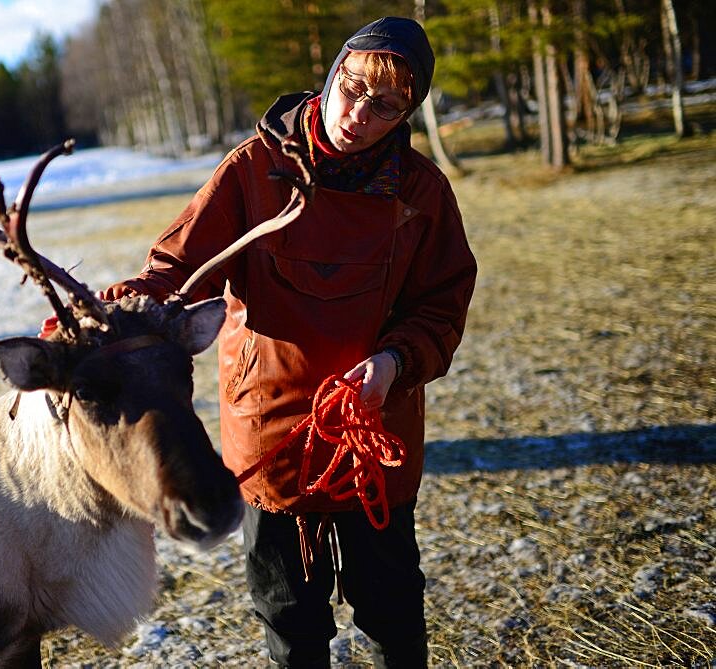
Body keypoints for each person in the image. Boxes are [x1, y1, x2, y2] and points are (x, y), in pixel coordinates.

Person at [48, 17, 476, 668]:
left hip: (372, 441)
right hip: (272, 443)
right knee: (290, 625)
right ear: (332, 75)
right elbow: (175, 272)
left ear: (407, 112)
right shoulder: (254, 170)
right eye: (352, 87)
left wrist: (394, 362)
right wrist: (102, 314)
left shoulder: (421, 192)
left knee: (392, 611)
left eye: (385, 104)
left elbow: (441, 305)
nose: (359, 112)